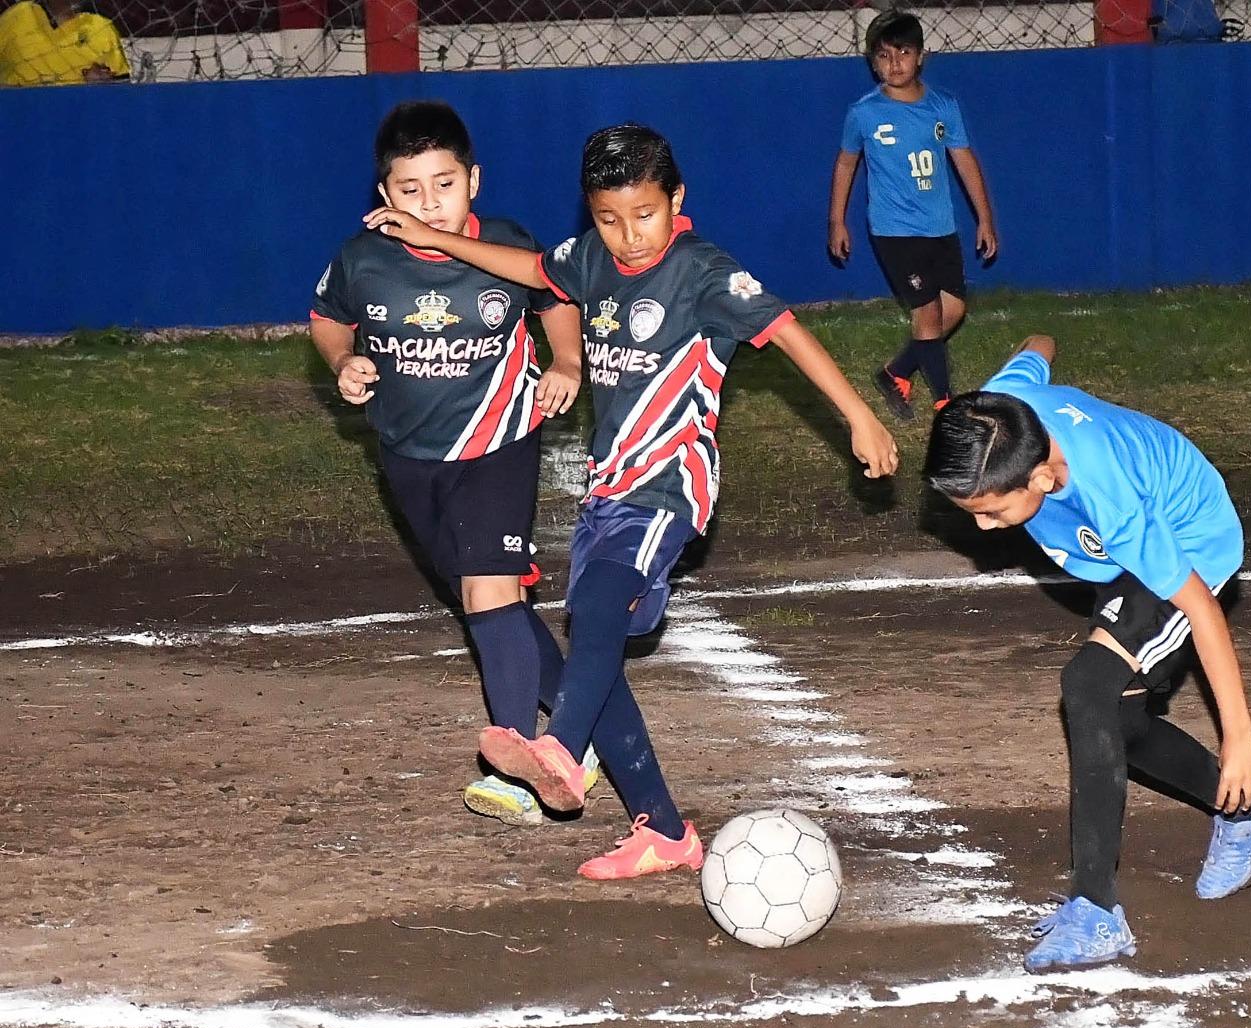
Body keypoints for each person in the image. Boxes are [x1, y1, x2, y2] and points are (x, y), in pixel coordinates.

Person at [364, 123, 899, 880]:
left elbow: (786, 334)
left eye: (644, 214)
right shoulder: (590, 261)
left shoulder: (703, 274)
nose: (628, 235)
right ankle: (665, 831)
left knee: (601, 612)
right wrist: (434, 237)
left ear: (675, 200)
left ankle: (564, 747)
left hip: (669, 484)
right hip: (608, 490)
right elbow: (526, 266)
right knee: (597, 644)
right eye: (609, 218)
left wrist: (860, 415)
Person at [924, 333, 1251, 972]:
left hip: (1184, 543)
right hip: (1125, 546)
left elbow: (1203, 610)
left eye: (990, 511)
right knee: (1119, 722)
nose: (981, 529)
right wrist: (1043, 344)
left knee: (1089, 687)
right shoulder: (999, 412)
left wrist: (1241, 738)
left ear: (1043, 473)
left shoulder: (1112, 500)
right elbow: (1034, 348)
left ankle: (1096, 912)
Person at [310, 100, 595, 829]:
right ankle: (579, 725)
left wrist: (565, 359)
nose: (429, 202)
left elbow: (554, 296)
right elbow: (328, 316)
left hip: (499, 440)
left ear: (474, 179)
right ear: (385, 195)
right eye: (410, 188)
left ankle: (516, 764)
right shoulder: (362, 259)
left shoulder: (506, 246)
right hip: (409, 456)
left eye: (444, 183)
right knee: (486, 599)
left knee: (487, 591)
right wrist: (344, 360)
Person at [829, 10, 998, 421]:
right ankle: (946, 403)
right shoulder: (864, 113)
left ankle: (896, 372)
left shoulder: (943, 107)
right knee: (926, 314)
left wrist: (985, 217)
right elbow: (846, 164)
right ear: (873, 63)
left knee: (952, 310)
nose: (894, 64)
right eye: (884, 56)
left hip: (940, 226)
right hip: (893, 230)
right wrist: (837, 220)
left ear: (921, 56)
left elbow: (964, 160)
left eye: (903, 53)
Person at [0, 0, 129, 86]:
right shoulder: (17, 17)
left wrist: (104, 85)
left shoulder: (101, 28)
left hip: (80, 118)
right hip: (18, 117)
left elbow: (121, 93)